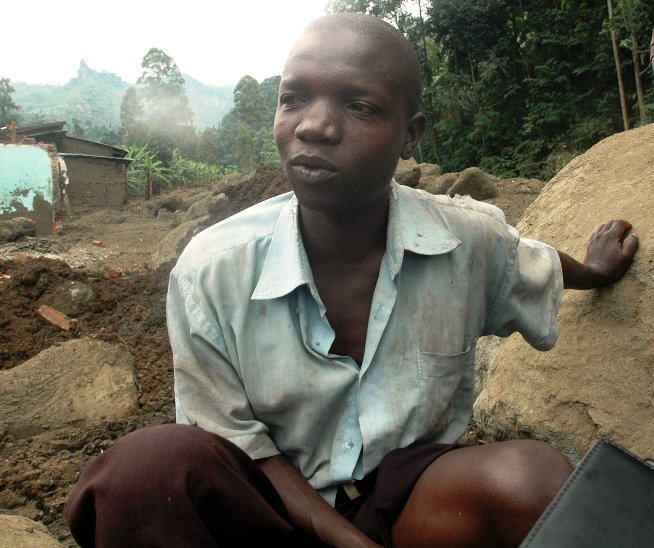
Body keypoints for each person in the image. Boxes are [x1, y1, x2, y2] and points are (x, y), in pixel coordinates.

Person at [64, 13, 638, 548]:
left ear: (410, 134)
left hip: (406, 503)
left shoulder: (467, 242)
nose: (314, 126)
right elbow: (238, 442)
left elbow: (530, 263)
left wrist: (597, 269)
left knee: (533, 478)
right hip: (266, 510)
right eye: (293, 100)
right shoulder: (211, 271)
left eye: (359, 106)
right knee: (146, 473)